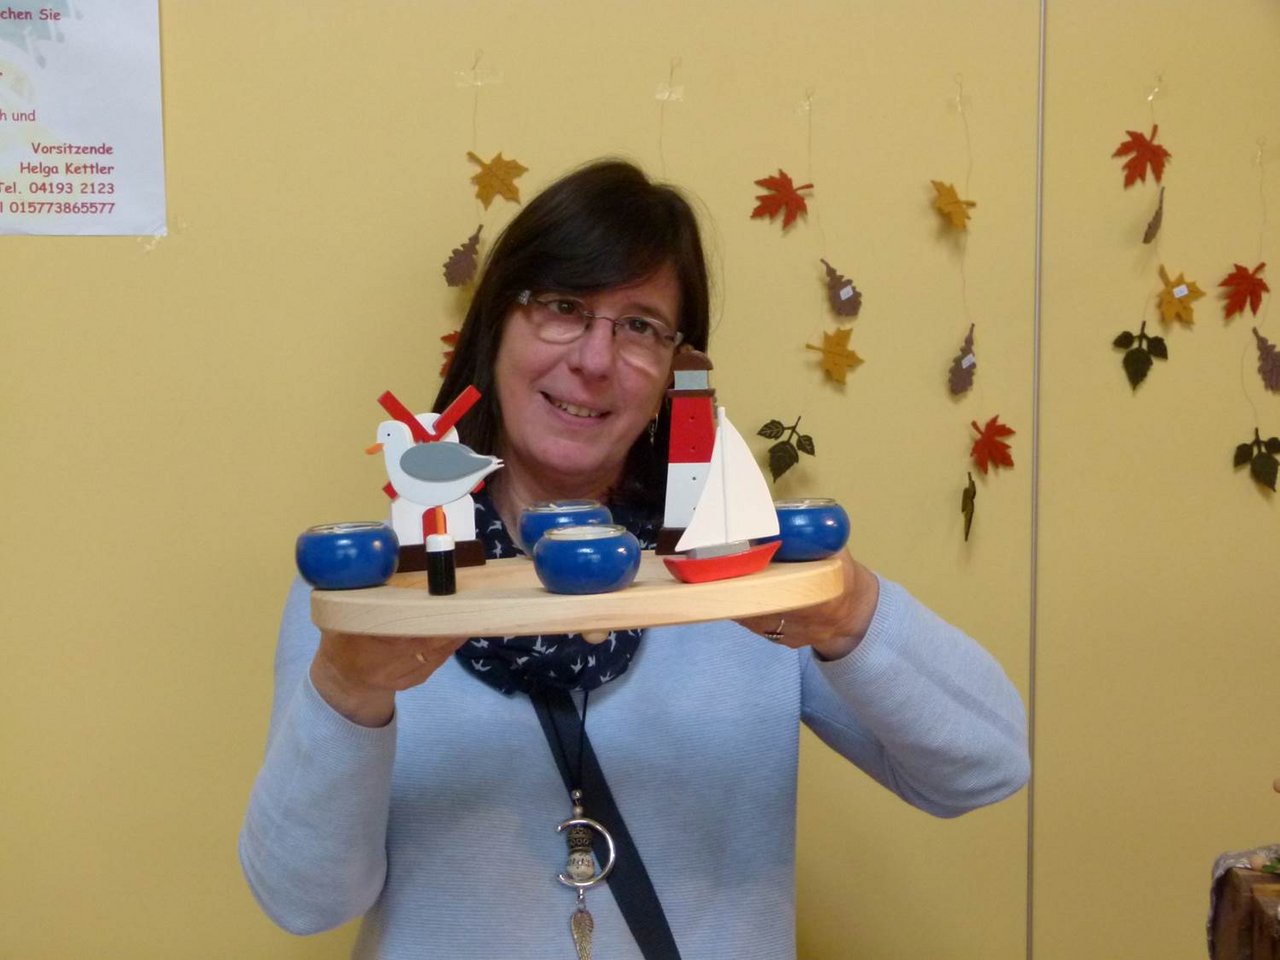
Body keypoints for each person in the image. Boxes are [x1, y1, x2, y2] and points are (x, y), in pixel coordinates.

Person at [240, 159, 1029, 960]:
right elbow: (302, 901)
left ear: (674, 372)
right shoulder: (380, 591)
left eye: (642, 326)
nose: (594, 359)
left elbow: (985, 767)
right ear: (495, 327)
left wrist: (847, 611)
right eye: (562, 307)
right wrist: (348, 691)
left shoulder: (738, 573)